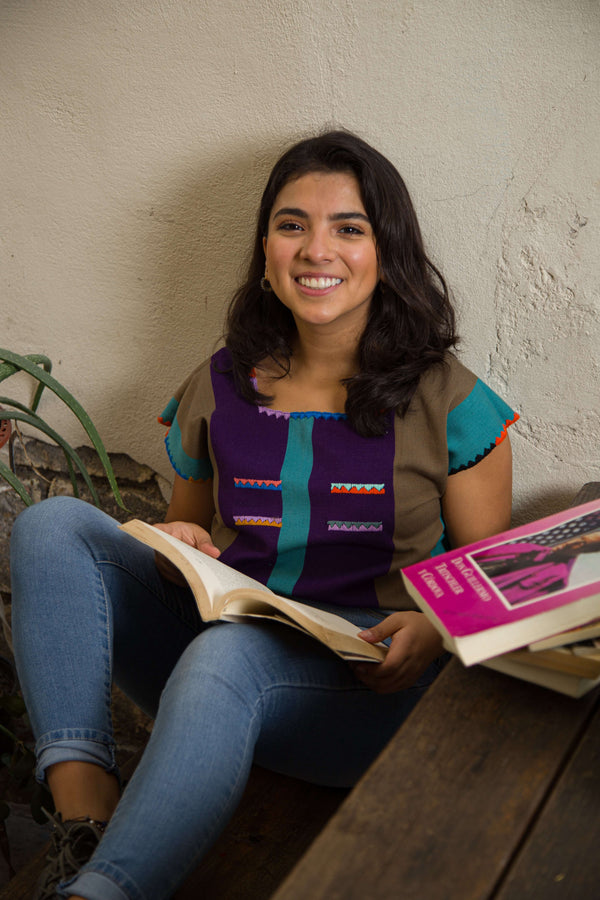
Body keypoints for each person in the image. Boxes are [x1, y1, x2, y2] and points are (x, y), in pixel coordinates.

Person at [10, 129, 517, 900]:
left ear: (389, 250)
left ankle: (103, 893)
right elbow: (195, 546)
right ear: (266, 247)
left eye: (349, 228)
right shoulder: (219, 382)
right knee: (49, 527)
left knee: (229, 656)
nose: (318, 250)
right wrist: (183, 541)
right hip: (219, 680)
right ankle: (85, 825)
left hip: (370, 695)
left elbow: (494, 586)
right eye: (292, 225)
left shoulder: (451, 400)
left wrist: (436, 624)